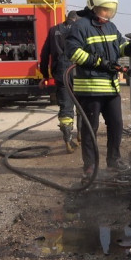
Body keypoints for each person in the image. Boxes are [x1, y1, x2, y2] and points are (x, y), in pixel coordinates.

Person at [60, 0, 131, 176]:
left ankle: (113, 161)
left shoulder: (110, 27)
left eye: (110, 10)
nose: (107, 13)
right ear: (93, 7)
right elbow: (73, 52)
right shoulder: (80, 26)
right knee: (90, 130)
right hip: (90, 89)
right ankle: (90, 167)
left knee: (116, 125)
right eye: (104, 9)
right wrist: (99, 62)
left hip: (111, 88)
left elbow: (120, 46)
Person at [40, 10, 80, 153]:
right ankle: (80, 135)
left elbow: (44, 54)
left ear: (66, 18)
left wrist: (44, 74)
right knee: (81, 104)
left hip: (61, 72)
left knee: (66, 106)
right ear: (77, 19)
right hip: (79, 71)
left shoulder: (54, 30)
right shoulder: (81, 29)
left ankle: (68, 139)